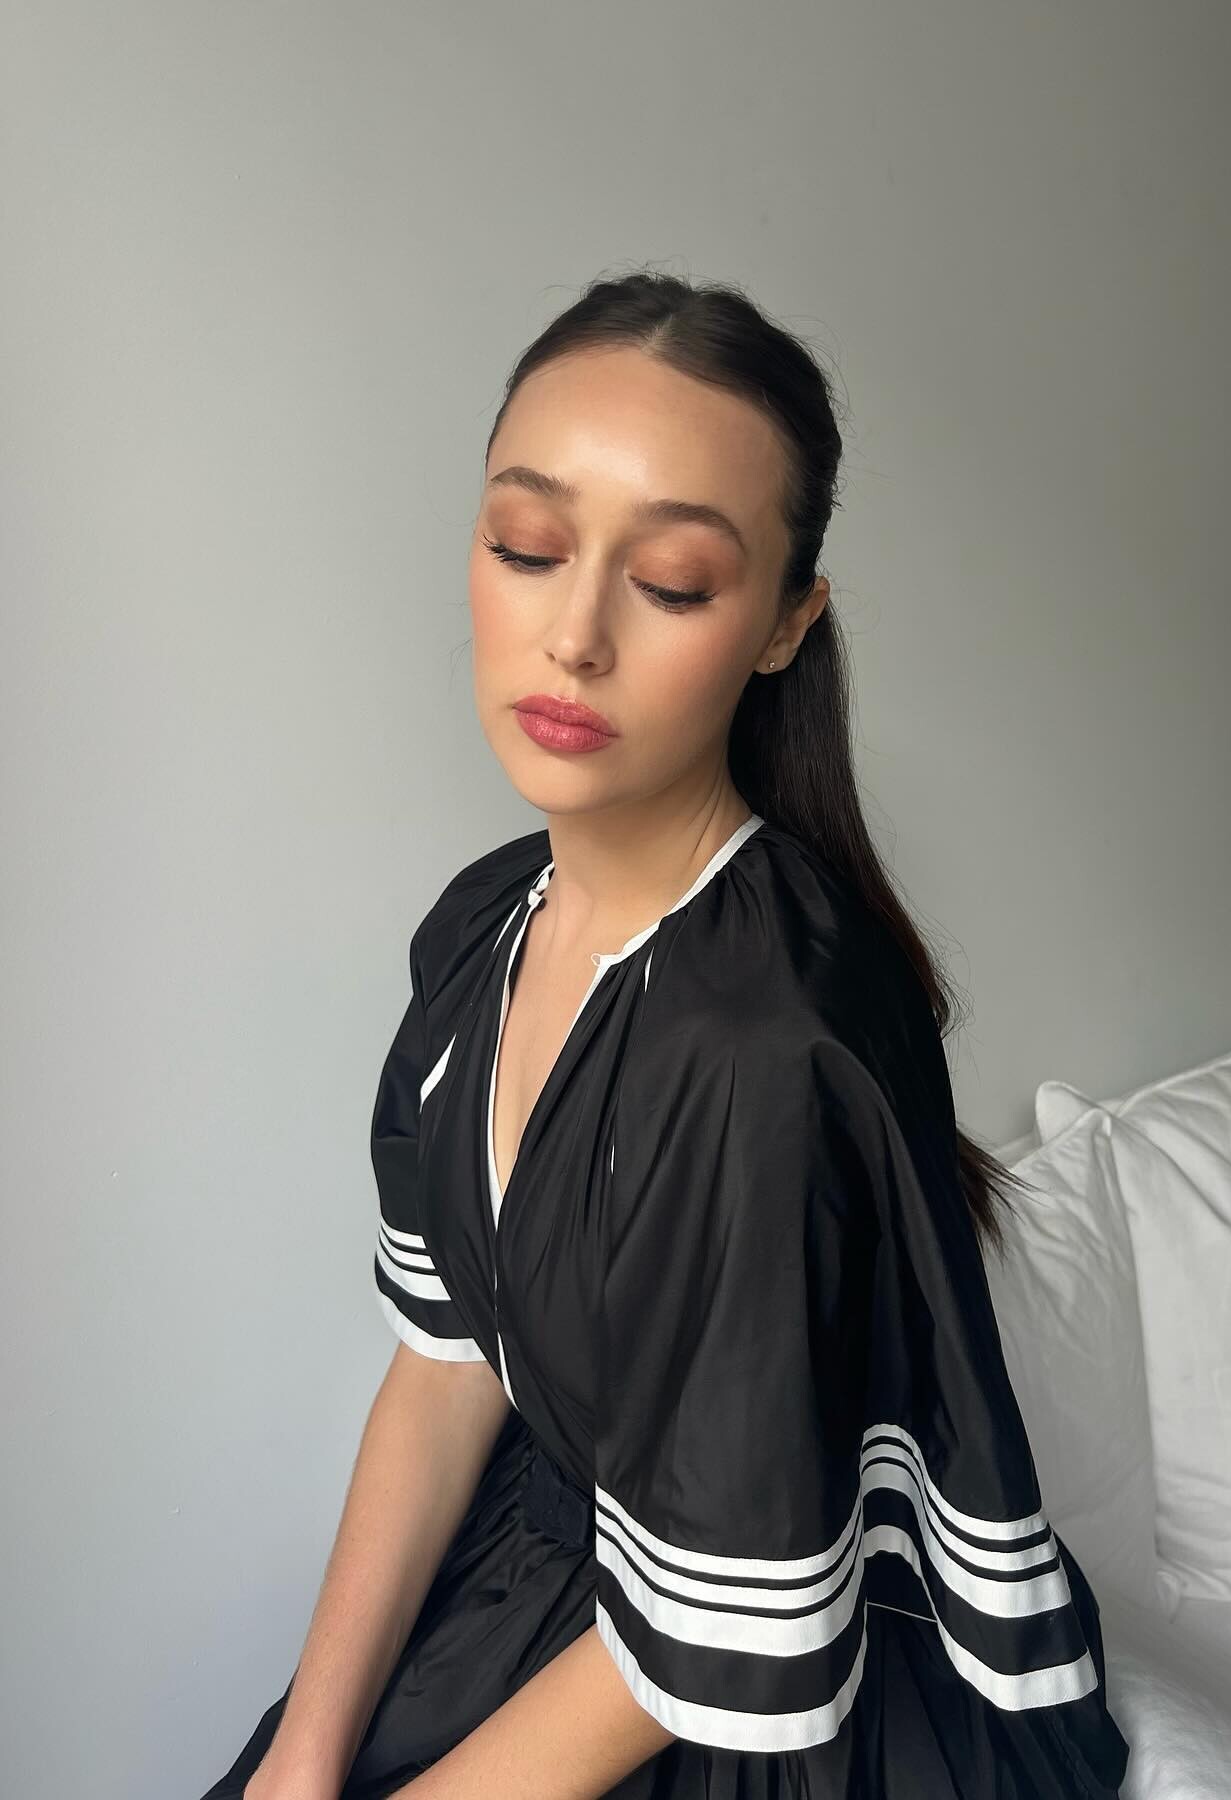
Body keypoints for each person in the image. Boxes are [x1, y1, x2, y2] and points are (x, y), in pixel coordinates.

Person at [202, 269, 1132, 1800]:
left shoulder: (768, 1045)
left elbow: (705, 1642)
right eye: (527, 546)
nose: (572, 635)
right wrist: (300, 1757)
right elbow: (446, 1372)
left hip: (750, 1689)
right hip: (562, 1577)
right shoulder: (482, 929)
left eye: (675, 582)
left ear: (783, 624)